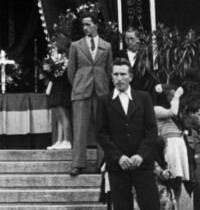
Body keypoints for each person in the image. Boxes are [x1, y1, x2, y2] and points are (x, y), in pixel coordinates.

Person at [95, 57, 159, 210]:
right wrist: (119, 157)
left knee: (151, 205)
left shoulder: (144, 98)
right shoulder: (104, 101)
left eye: (123, 74)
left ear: (130, 76)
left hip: (142, 164)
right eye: (115, 74)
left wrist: (141, 155)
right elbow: (101, 133)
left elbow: (152, 130)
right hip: (118, 166)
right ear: (111, 77)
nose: (119, 78)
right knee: (122, 206)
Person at [67, 12, 113, 176]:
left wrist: (101, 84)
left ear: (96, 25)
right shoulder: (76, 46)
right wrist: (80, 84)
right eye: (83, 25)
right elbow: (71, 72)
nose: (85, 28)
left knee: (102, 128)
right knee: (79, 128)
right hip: (81, 91)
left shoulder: (106, 46)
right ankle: (78, 164)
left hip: (100, 91)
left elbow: (109, 71)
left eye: (88, 24)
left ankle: (102, 163)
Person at [154, 85, 193, 210]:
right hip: (169, 144)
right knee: (171, 179)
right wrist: (177, 97)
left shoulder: (175, 110)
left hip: (179, 144)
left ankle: (178, 206)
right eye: (170, 95)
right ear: (163, 97)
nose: (172, 98)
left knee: (179, 180)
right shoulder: (156, 109)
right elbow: (172, 112)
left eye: (173, 95)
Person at [45, 34, 72, 150]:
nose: (53, 46)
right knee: (58, 115)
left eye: (55, 44)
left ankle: (67, 140)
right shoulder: (56, 57)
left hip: (62, 86)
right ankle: (60, 140)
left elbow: (62, 73)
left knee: (63, 114)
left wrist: (51, 69)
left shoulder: (65, 58)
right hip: (57, 86)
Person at [183, 107, 200, 210]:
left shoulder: (196, 130)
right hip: (194, 166)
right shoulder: (186, 130)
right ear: (190, 114)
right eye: (199, 114)